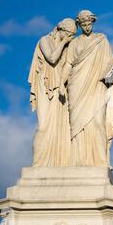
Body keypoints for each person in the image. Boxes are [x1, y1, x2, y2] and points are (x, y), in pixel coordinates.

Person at [60, 10, 113, 167]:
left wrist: (109, 78)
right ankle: (76, 161)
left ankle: (99, 161)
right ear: (80, 25)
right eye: (84, 24)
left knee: (97, 122)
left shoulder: (101, 40)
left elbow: (110, 63)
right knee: (76, 125)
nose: (87, 27)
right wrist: (62, 84)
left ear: (93, 23)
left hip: (97, 86)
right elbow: (68, 64)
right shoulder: (74, 43)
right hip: (76, 85)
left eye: (89, 24)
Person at [28, 18, 77, 166]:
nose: (70, 38)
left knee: (62, 129)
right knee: (44, 127)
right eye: (69, 34)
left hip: (61, 90)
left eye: (73, 36)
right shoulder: (45, 40)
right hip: (46, 85)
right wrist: (63, 42)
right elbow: (52, 58)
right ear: (60, 30)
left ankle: (59, 162)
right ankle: (38, 163)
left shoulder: (67, 47)